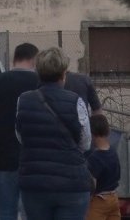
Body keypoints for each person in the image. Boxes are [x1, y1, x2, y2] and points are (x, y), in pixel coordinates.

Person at [16, 47, 93, 219]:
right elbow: (86, 143)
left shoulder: (24, 100)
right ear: (63, 74)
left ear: (38, 72)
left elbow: (21, 136)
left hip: (34, 182)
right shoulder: (76, 101)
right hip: (71, 183)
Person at [0, 42, 39, 220]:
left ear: (14, 59)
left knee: (5, 212)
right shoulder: (40, 82)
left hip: (2, 157)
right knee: (32, 213)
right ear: (34, 60)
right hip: (34, 160)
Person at [86, 114, 121, 220]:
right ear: (108, 131)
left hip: (99, 201)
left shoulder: (94, 158)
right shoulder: (113, 152)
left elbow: (93, 185)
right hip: (114, 198)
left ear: (91, 134)